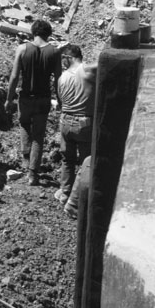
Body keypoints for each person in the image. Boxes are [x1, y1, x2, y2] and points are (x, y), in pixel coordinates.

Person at [5, 19, 65, 186]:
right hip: (44, 99)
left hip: (25, 98)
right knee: (38, 136)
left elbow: (14, 76)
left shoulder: (22, 49)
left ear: (33, 32)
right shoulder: (54, 52)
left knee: (24, 125)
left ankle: (26, 156)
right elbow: (58, 80)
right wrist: (60, 100)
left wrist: (9, 99)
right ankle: (33, 174)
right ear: (49, 34)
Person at [55, 45, 97, 205]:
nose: (62, 63)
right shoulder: (86, 70)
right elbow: (104, 63)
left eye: (63, 59)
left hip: (65, 121)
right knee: (86, 162)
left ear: (68, 58)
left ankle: (65, 192)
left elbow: (61, 101)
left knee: (67, 159)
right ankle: (78, 198)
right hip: (84, 123)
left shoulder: (62, 77)